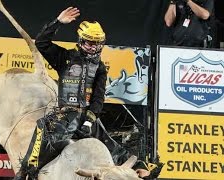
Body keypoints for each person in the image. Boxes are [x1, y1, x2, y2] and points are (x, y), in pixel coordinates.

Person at [15, 7, 162, 180]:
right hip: (63, 117)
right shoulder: (65, 57)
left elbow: (98, 98)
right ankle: (24, 173)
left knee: (115, 149)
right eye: (90, 43)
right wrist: (57, 23)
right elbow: (40, 43)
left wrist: (89, 121)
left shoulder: (100, 68)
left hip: (88, 119)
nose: (94, 47)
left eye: (98, 43)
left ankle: (144, 170)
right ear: (80, 41)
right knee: (41, 138)